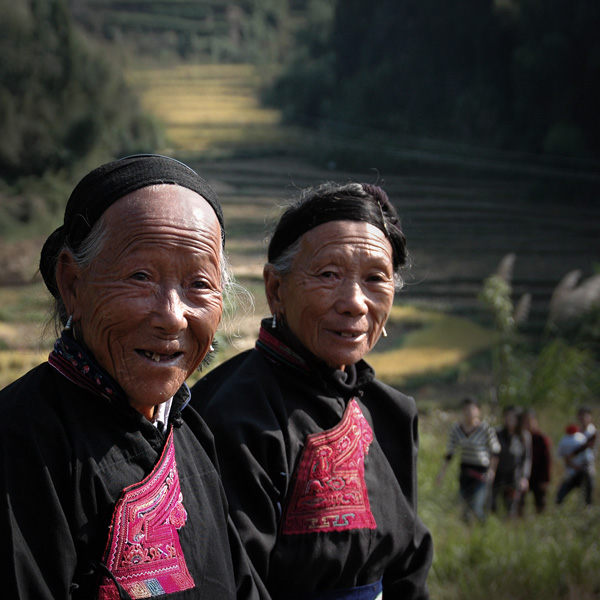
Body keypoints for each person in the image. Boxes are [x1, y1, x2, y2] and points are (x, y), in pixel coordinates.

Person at [0, 155, 263, 599]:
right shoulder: (21, 438)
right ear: (73, 284)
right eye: (140, 277)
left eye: (199, 284)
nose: (172, 317)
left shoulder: (191, 433)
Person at [193, 182, 433, 599]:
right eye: (328, 274)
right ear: (276, 290)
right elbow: (230, 581)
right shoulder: (232, 414)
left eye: (376, 278)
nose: (355, 302)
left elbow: (409, 572)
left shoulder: (391, 412)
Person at [436, 397, 501, 522]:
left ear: (478, 411)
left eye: (471, 409)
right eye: (466, 410)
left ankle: (483, 530)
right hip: (465, 470)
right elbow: (450, 452)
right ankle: (467, 534)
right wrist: (441, 473)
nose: (468, 412)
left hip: (481, 472)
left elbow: (495, 450)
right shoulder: (456, 429)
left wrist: (492, 471)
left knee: (477, 506)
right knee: (464, 507)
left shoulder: (485, 429)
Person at [490, 406, 532, 517]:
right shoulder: (497, 433)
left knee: (511, 507)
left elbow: (527, 458)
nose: (510, 419)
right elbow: (492, 454)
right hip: (497, 474)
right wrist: (491, 470)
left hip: (514, 475)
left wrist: (525, 477)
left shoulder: (524, 436)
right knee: (492, 505)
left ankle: (509, 526)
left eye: (513, 416)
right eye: (507, 416)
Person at [520, 408, 552, 514]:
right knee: (520, 504)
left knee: (540, 504)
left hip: (539, 477)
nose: (528, 423)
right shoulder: (520, 438)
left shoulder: (541, 438)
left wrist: (545, 479)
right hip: (523, 476)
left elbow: (547, 460)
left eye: (530, 420)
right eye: (525, 421)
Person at [556, 423, 595, 506]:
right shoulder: (580, 438)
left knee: (587, 490)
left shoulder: (565, 440)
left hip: (580, 471)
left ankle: (588, 506)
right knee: (563, 492)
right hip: (575, 472)